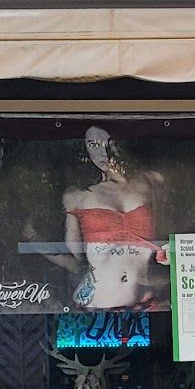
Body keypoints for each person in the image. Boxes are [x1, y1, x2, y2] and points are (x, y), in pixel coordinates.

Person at [63, 126, 168, 311]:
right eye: (93, 144)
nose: (100, 151)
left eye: (107, 144)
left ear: (120, 144)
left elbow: (168, 229)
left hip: (149, 299)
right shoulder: (77, 195)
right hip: (99, 302)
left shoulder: (151, 180)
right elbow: (74, 249)